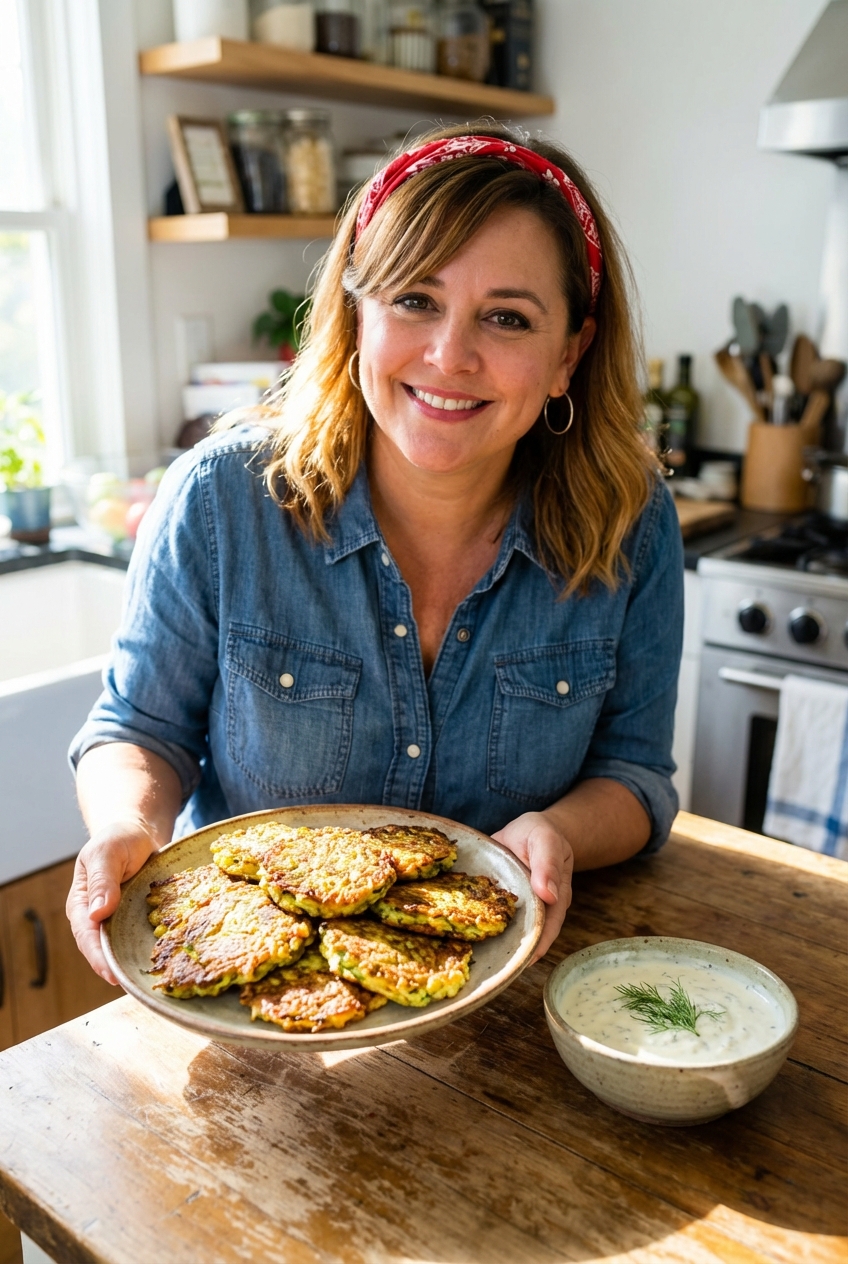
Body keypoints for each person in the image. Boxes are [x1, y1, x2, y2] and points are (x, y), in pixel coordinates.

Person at [66, 122, 683, 983]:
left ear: (568, 356)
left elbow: (636, 774)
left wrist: (562, 833)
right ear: (357, 316)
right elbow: (140, 730)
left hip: (518, 997)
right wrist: (127, 825)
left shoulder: (632, 520)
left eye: (507, 318)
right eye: (414, 300)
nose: (448, 356)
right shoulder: (221, 498)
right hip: (245, 1001)